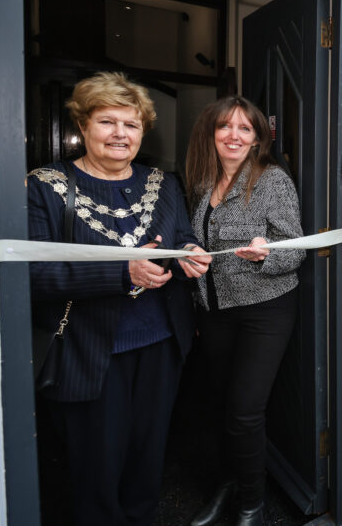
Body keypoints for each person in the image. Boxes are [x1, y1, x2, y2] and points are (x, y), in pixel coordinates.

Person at [27, 72, 211, 525]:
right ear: (83, 126)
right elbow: (33, 273)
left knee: (148, 459)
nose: (119, 134)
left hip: (161, 343)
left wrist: (188, 253)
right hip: (88, 350)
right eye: (107, 122)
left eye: (131, 125)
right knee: (96, 466)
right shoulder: (44, 187)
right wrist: (121, 272)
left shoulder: (163, 182)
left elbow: (182, 236)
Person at [185, 96, 306, 526]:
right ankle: (227, 483)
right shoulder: (202, 179)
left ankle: (252, 503)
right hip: (213, 310)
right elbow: (193, 239)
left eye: (244, 129)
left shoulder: (272, 180)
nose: (233, 136)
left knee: (245, 409)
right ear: (212, 133)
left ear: (257, 138)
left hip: (264, 309)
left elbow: (293, 249)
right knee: (217, 403)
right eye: (225, 127)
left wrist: (265, 255)